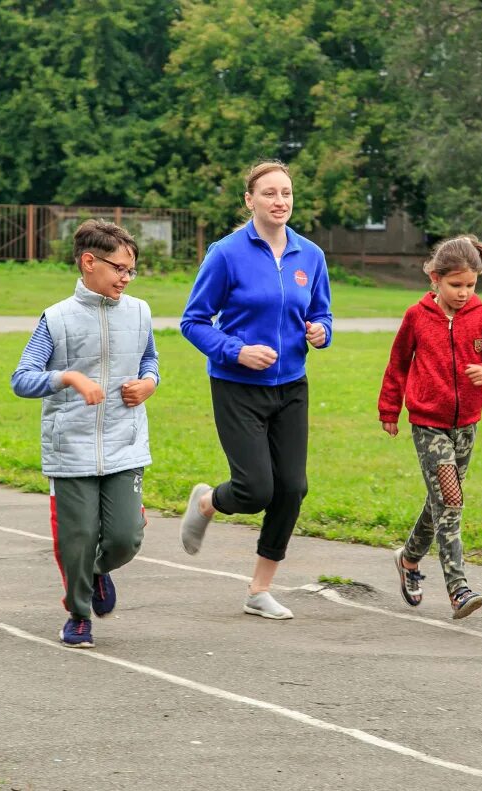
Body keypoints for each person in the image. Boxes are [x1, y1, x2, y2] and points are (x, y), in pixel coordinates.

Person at [179, 160, 333, 620]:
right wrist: (236, 351)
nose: (279, 201)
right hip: (237, 385)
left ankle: (259, 590)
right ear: (250, 200)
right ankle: (207, 502)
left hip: (292, 386)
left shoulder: (311, 255)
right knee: (254, 490)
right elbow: (193, 322)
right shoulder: (226, 254)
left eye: (285, 192)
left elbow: (322, 314)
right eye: (269, 193)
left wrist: (321, 332)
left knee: (292, 487)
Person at [11, 219, 159, 648]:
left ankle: (97, 571)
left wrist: (149, 383)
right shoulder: (56, 320)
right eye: (119, 269)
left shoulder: (140, 312)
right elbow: (22, 379)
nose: (126, 278)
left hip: (124, 442)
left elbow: (150, 361)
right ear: (89, 262)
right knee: (75, 539)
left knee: (125, 537)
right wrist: (69, 378)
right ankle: (78, 614)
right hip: (71, 446)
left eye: (132, 270)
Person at [377, 235, 482, 619]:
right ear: (434, 279)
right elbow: (398, 363)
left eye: (470, 285)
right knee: (451, 501)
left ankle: (408, 559)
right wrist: (389, 407)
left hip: (467, 425)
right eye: (456, 285)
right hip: (428, 424)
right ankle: (458, 589)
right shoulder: (417, 317)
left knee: (441, 502)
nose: (464, 293)